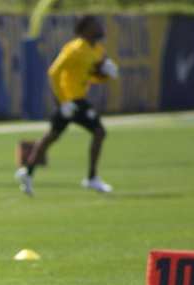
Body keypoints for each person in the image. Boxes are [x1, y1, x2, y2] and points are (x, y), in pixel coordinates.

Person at [15, 15, 119, 196]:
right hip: (72, 101)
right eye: (96, 24)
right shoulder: (74, 49)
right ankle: (92, 178)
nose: (100, 27)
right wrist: (63, 101)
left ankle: (27, 172)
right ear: (86, 28)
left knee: (51, 137)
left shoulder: (97, 49)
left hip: (76, 99)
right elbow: (54, 72)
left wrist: (107, 74)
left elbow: (90, 76)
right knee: (99, 132)